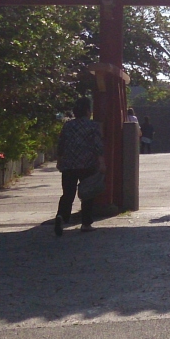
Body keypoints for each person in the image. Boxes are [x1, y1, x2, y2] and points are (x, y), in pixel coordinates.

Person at [55, 97, 104, 236]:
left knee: (68, 193)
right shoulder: (93, 126)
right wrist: (102, 162)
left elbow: (61, 144)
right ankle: (86, 223)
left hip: (69, 164)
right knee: (87, 194)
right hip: (87, 164)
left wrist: (59, 160)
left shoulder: (68, 125)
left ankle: (61, 216)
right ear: (88, 111)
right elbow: (98, 145)